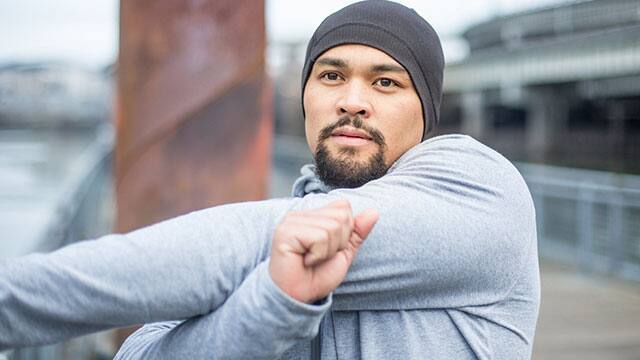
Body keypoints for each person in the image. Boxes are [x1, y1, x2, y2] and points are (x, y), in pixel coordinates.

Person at [0, 1, 540, 359]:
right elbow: (140, 353)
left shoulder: (479, 190)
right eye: (331, 76)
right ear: (304, 97)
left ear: (427, 111)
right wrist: (274, 303)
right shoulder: (301, 216)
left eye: (386, 82)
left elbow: (240, 245)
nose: (352, 101)